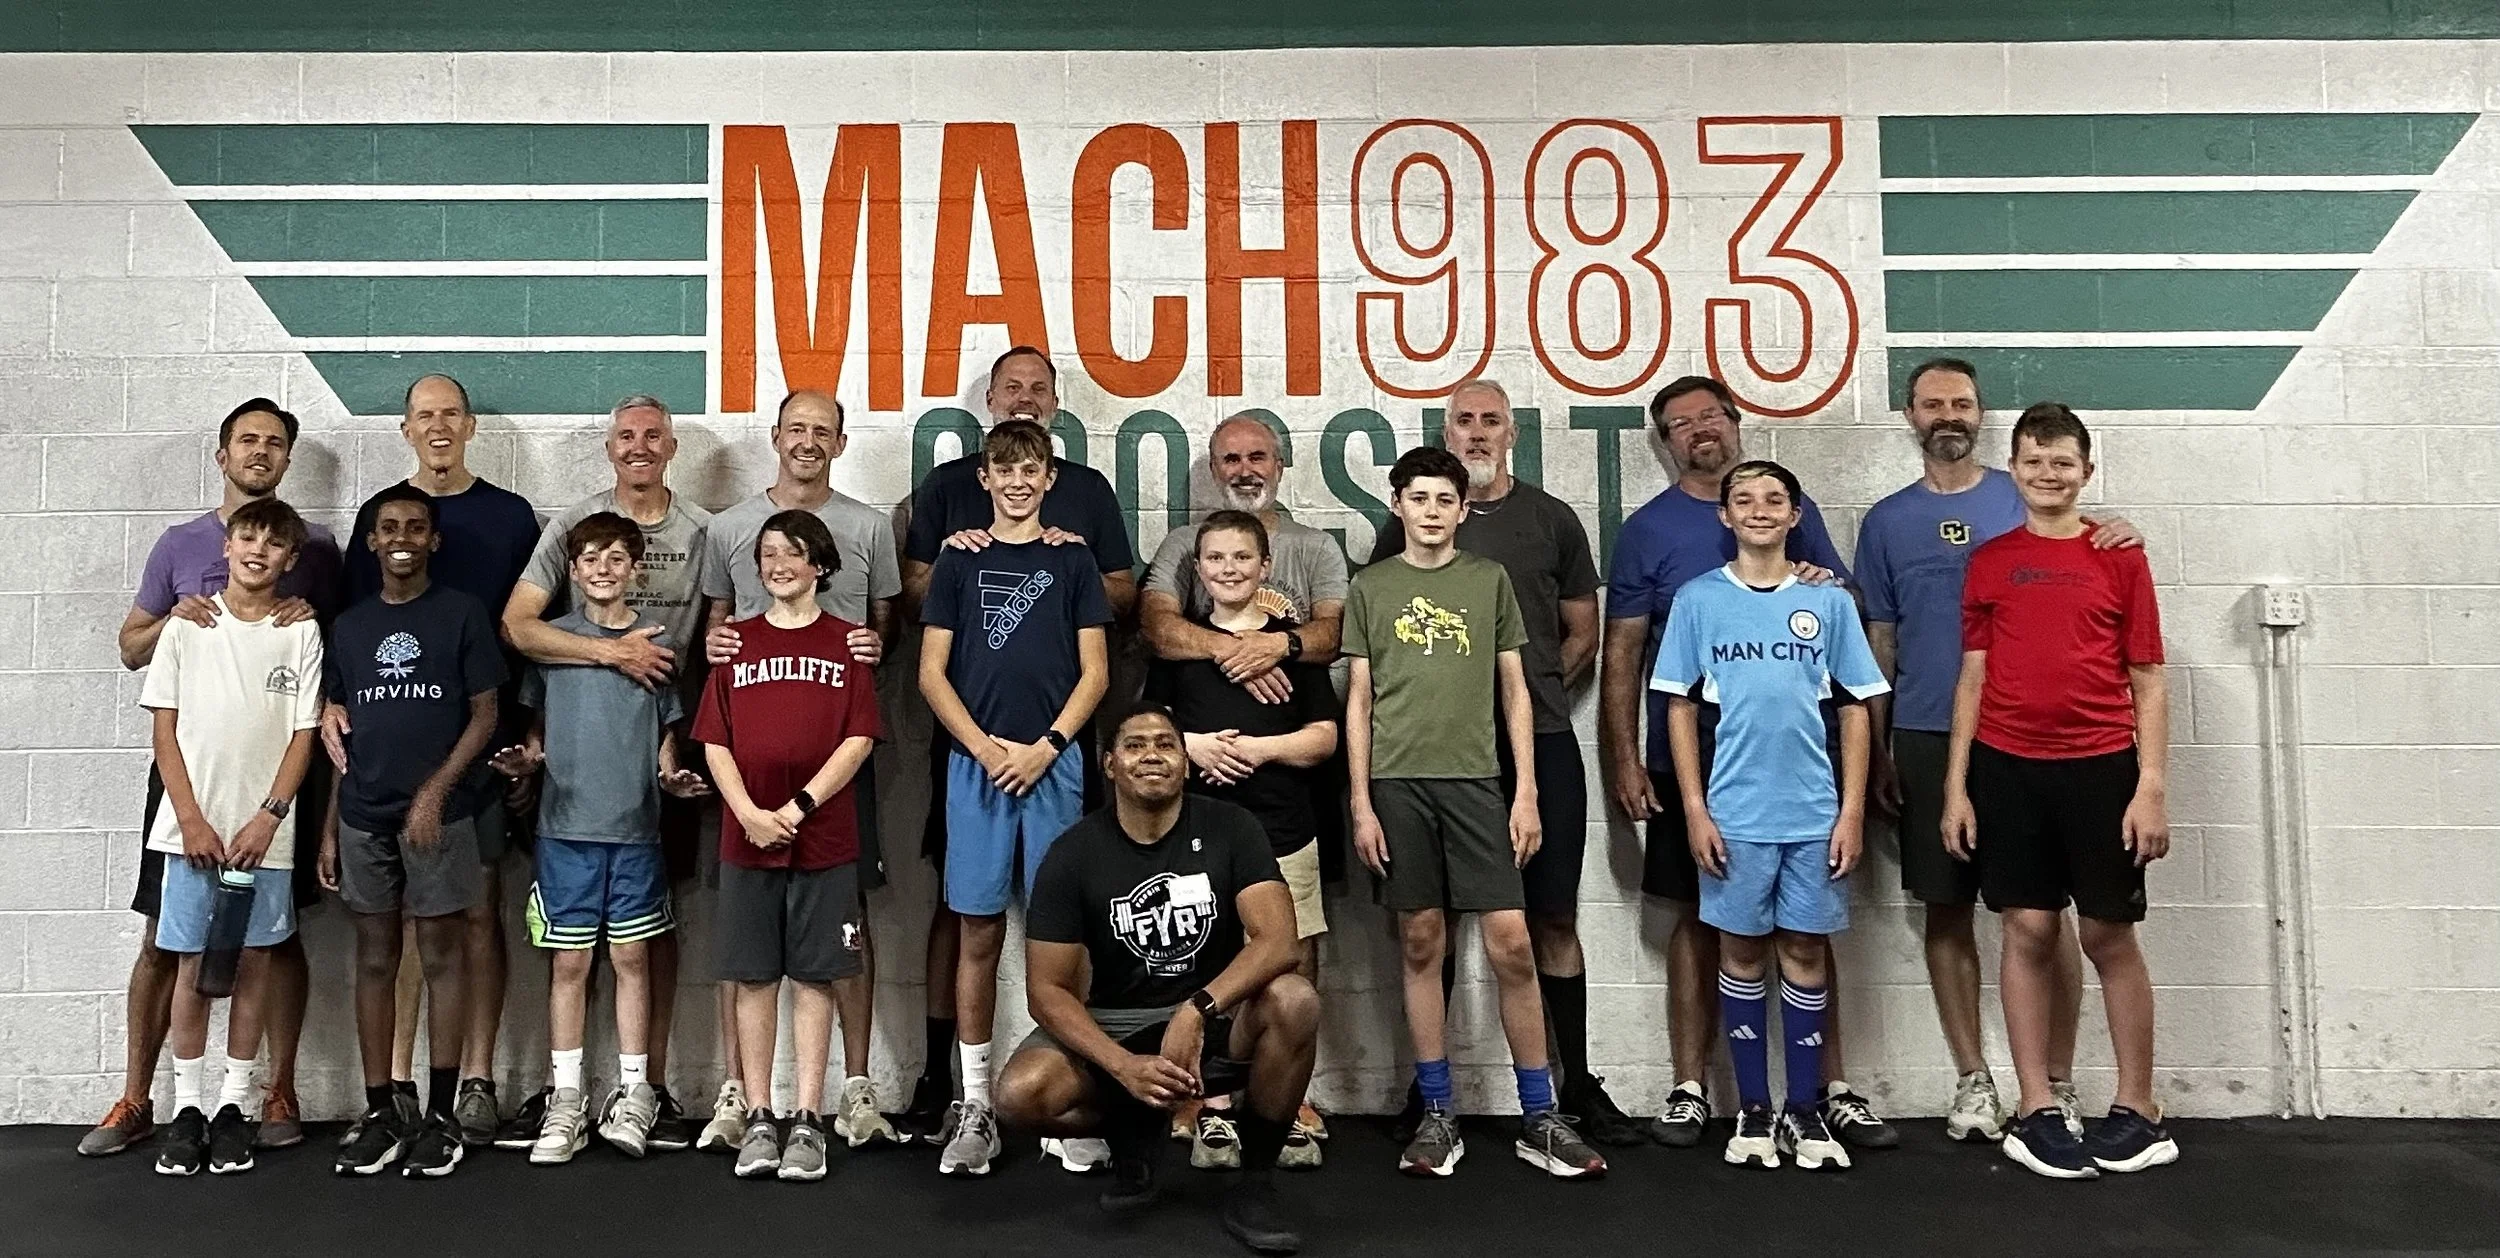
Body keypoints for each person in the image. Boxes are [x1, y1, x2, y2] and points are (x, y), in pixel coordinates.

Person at [1596, 376, 1892, 1151]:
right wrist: (1625, 755)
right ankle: (1698, 1088)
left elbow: (1844, 614)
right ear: (1666, 441)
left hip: (1806, 776)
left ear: (1733, 423)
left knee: (1805, 933)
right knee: (1702, 923)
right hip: (1695, 773)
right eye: (1680, 423)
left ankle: (1822, 1091)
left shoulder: (1803, 532)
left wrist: (1853, 802)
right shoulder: (1654, 538)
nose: (1698, 429)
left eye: (1710, 416)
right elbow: (1625, 652)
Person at [1856, 358, 2140, 1141]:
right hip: (1924, 732)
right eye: (1931, 403)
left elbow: (2080, 540)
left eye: (1962, 402)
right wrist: (1879, 744)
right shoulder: (1884, 521)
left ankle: (2054, 1081)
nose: (1948, 413)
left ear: (1982, 416)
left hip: (2030, 741)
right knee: (1946, 910)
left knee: (2045, 914)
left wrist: (2121, 528)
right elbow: (1880, 638)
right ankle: (1975, 1080)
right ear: (1908, 415)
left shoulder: (2022, 495)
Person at [1366, 379, 1632, 1145]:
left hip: (1537, 743)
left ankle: (1573, 1087)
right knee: (1431, 922)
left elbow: (1583, 626)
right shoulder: (1410, 532)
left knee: (1549, 916)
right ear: (1445, 433)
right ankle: (1431, 1096)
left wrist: (1539, 691)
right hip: (1435, 756)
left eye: (1490, 421)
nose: (1477, 433)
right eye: (1463, 422)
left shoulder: (1549, 518)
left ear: (1511, 432)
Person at [86, 398, 341, 1159]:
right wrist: (176, 617)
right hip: (189, 793)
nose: (260, 452)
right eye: (247, 441)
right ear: (223, 454)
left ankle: (266, 1092)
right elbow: (133, 649)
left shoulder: (318, 551)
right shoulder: (179, 546)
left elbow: (330, 662)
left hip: (273, 793)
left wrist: (275, 806)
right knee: (170, 944)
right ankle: (146, 1097)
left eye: (274, 443)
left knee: (274, 941)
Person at [897, 346, 1135, 1151]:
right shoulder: (960, 562)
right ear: (989, 479)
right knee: (975, 930)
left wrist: (1046, 746)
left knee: (1062, 936)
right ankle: (971, 1103)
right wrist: (987, 748)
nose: (1020, 481)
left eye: (1033, 470)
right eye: (1007, 471)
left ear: (1047, 476)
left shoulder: (1073, 560)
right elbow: (932, 675)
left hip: (1055, 766)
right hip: (977, 768)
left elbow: (1096, 673)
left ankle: (1076, 1096)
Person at [1942, 404, 2177, 1180]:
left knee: (2107, 937)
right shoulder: (1991, 561)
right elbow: (1972, 676)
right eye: (2034, 461)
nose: (2048, 474)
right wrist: (1957, 788)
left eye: (2063, 463)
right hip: (2008, 771)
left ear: (2086, 471)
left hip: (2102, 769)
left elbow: (2147, 676)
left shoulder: (2120, 557)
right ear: (2014, 470)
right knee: (2027, 932)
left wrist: (2149, 787)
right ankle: (2036, 1108)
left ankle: (2141, 1111)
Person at [997, 703, 1319, 1256]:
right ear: (1110, 765)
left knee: (1295, 1000)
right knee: (1019, 1096)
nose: (1152, 754)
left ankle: (1256, 1186)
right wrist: (1121, 1067)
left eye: (1166, 744)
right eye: (1135, 745)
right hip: (1116, 1019)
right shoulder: (1072, 853)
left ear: (1186, 763)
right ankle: (1135, 1130)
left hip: (1213, 1015)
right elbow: (1047, 991)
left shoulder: (1231, 827)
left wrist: (1197, 1010)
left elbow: (1279, 941)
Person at [1653, 460, 1888, 1172]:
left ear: (1795, 515)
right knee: (1742, 954)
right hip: (1734, 814)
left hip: (1814, 816)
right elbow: (1680, 705)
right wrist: (1695, 809)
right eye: (1744, 499)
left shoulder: (1831, 603)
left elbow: (1854, 708)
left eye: (1775, 499)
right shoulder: (1699, 601)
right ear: (1724, 516)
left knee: (1808, 954)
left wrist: (1851, 813)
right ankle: (1754, 1110)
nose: (1759, 509)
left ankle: (1805, 1110)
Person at [333, 373, 542, 1152]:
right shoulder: (375, 525)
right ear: (406, 429)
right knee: (393, 941)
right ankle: (394, 1093)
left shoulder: (509, 516)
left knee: (472, 920)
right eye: (425, 415)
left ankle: (473, 1086)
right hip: (384, 771)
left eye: (451, 413)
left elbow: (531, 628)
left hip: (477, 759)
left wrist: (527, 740)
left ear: (471, 424)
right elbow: (347, 645)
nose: (439, 425)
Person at [502, 394, 714, 1152]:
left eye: (653, 434)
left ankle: (635, 1093)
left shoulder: (663, 628)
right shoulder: (554, 637)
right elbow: (535, 719)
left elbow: (665, 740)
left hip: (635, 829)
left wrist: (675, 777)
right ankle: (566, 1098)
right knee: (569, 964)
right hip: (565, 827)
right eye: (590, 559)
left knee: (635, 954)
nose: (601, 568)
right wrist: (526, 762)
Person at [699, 388, 900, 1150]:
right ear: (775, 437)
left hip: (828, 812)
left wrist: (805, 803)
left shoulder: (865, 551)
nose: (807, 440)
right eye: (796, 429)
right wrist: (748, 809)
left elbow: (885, 639)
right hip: (745, 812)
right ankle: (749, 1105)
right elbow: (713, 692)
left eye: (823, 430)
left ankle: (825, 1103)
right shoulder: (729, 545)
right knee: (749, 962)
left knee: (826, 956)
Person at [1143, 511, 1339, 1169]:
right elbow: (1152, 724)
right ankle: (1211, 1106)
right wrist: (1192, 745)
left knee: (1294, 961)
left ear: (1266, 569)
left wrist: (1259, 750)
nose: (1228, 569)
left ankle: (1279, 1108)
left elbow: (1324, 738)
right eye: (1215, 559)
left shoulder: (1292, 646)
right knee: (1205, 966)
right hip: (1200, 841)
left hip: (1285, 829)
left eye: (1240, 558)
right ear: (1198, 571)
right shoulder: (1180, 650)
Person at [138, 499, 324, 1176]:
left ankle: (232, 1106)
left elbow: (304, 733)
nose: (257, 551)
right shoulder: (190, 626)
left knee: (252, 966)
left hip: (261, 840)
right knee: (190, 964)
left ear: (290, 559)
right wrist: (188, 817)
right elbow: (165, 728)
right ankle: (187, 1108)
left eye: (273, 545)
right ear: (228, 544)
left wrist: (270, 814)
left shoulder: (299, 631)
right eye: (248, 537)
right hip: (192, 833)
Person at [323, 485, 504, 1178]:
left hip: (441, 816)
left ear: (434, 540)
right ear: (371, 541)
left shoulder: (461, 614)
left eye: (416, 527)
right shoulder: (350, 626)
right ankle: (380, 1110)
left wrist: (434, 792)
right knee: (374, 956)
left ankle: (441, 1112)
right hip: (364, 812)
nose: (401, 536)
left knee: (441, 955)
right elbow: (342, 730)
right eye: (388, 526)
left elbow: (484, 715)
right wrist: (330, 829)